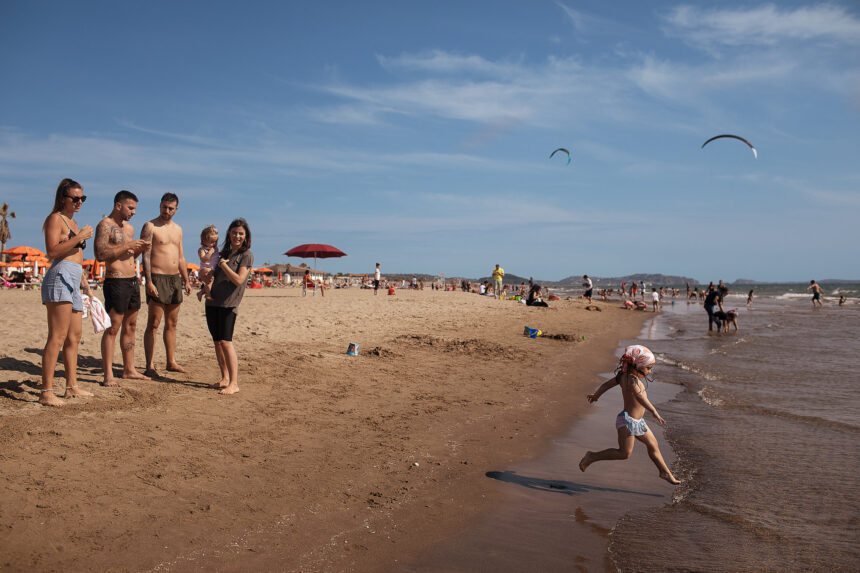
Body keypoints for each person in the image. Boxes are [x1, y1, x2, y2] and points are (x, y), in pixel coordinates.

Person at [579, 345, 680, 485]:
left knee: (653, 445)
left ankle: (665, 473)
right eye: (648, 368)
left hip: (638, 422)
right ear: (636, 366)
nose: (649, 372)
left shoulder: (622, 376)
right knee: (624, 453)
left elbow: (606, 385)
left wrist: (597, 395)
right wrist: (654, 411)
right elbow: (640, 398)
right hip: (627, 421)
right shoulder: (632, 381)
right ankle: (591, 456)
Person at [39, 178, 95, 405]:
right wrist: (80, 237)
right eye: (75, 198)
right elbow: (52, 251)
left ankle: (71, 386)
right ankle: (46, 391)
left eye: (82, 198)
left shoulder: (73, 222)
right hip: (60, 276)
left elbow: (75, 256)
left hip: (73, 277)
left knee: (74, 336)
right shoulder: (56, 219)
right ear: (63, 198)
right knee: (58, 336)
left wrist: (85, 283)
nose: (79, 202)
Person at [94, 190, 152, 387]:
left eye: (135, 208)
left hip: (132, 280)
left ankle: (129, 369)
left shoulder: (129, 229)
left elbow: (128, 256)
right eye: (130, 207)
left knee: (131, 326)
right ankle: (108, 374)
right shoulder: (105, 225)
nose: (133, 212)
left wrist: (139, 248)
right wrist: (128, 246)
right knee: (113, 327)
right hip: (115, 280)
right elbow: (100, 254)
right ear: (118, 205)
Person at [140, 193, 191, 377]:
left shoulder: (178, 229)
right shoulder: (150, 226)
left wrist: (186, 280)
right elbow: (145, 255)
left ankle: (171, 361)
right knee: (153, 324)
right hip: (157, 277)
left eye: (170, 208)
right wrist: (149, 281)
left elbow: (181, 256)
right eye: (164, 207)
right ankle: (150, 365)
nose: (166, 211)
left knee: (172, 323)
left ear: (176, 209)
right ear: (159, 205)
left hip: (174, 278)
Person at [206, 218, 254, 395]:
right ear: (229, 233)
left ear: (246, 236)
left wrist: (223, 266)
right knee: (217, 342)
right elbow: (213, 275)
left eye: (241, 233)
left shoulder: (246, 255)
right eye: (234, 232)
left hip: (229, 304)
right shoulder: (222, 252)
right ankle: (224, 378)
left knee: (226, 342)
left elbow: (239, 279)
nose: (237, 236)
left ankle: (234, 383)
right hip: (213, 302)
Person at [196, 225, 219, 302]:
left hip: (212, 269)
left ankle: (200, 293)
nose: (214, 243)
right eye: (212, 242)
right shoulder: (202, 249)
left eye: (215, 241)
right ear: (204, 241)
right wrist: (209, 253)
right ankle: (208, 295)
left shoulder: (215, 249)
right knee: (211, 280)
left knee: (210, 282)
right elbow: (203, 260)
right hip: (205, 269)